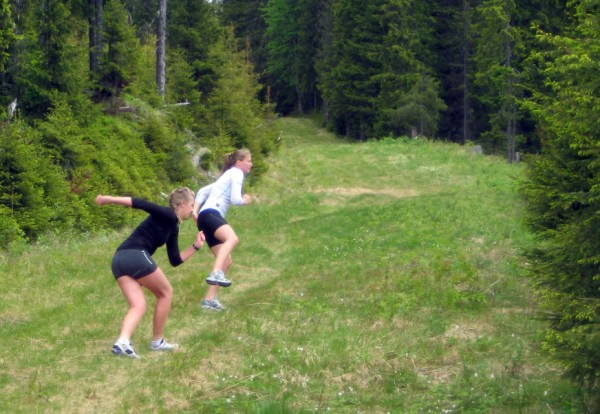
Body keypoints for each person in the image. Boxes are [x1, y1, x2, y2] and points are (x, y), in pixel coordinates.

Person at [96, 188, 205, 359]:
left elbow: (175, 260)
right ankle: (157, 341)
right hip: (135, 255)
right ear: (182, 204)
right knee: (166, 292)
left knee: (139, 305)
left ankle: (122, 342)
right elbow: (139, 203)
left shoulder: (173, 227)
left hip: (119, 260)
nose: (192, 210)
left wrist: (196, 247)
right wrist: (107, 199)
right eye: (191, 205)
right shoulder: (168, 214)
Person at [193, 149, 253, 311]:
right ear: (239, 162)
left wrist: (195, 211)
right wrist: (245, 200)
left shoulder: (226, 176)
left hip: (205, 217)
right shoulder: (237, 173)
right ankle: (215, 273)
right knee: (232, 239)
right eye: (249, 161)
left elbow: (203, 191)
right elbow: (235, 199)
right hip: (212, 214)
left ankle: (209, 300)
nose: (251, 164)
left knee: (227, 261)